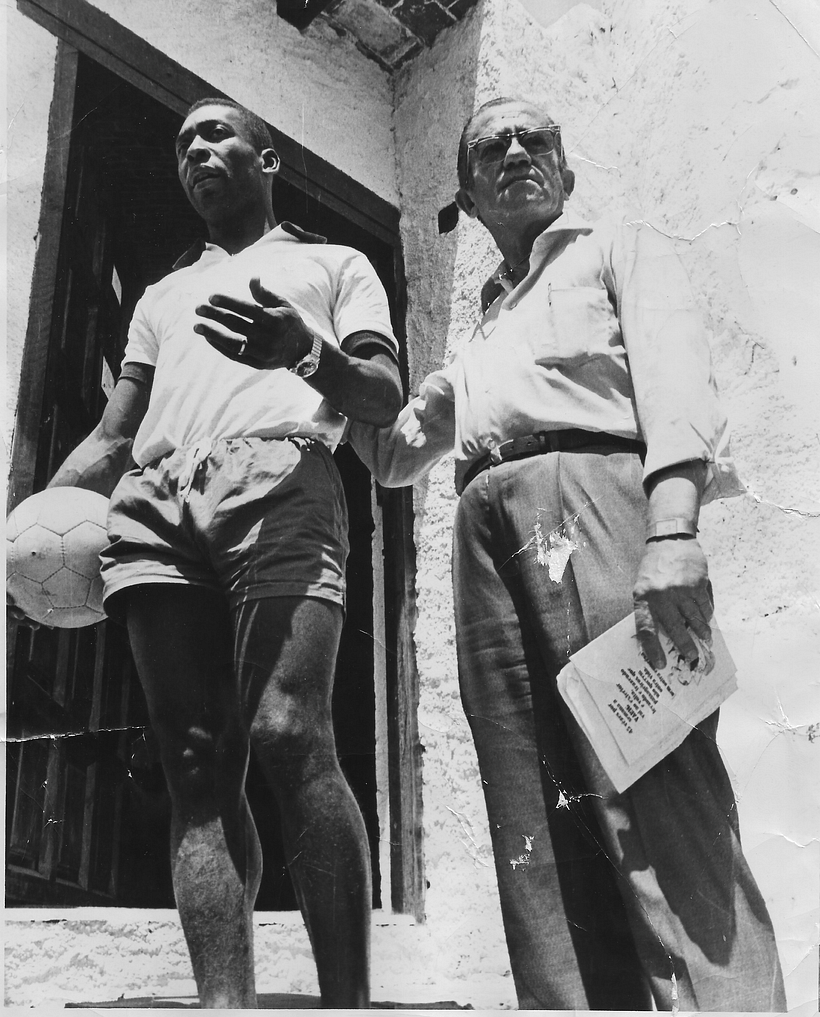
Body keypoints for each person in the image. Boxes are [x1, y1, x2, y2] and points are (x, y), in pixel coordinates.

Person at [349, 97, 786, 1011]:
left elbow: (676, 382)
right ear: (469, 197)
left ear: (566, 170)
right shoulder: (477, 339)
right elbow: (392, 456)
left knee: (659, 787)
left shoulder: (616, 249)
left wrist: (673, 529)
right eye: (491, 147)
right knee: (536, 816)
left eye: (534, 139)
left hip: (596, 505)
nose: (515, 150)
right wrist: (318, 365)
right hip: (488, 539)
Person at [9, 97, 402, 1008]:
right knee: (194, 759)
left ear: (269, 160)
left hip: (281, 479)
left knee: (289, 732)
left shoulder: (334, 264)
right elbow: (114, 436)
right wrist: (27, 527)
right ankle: (225, 1005)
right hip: (156, 502)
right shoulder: (160, 295)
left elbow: (381, 395)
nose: (197, 149)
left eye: (218, 133)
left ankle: (348, 1003)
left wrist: (305, 354)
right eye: (185, 142)